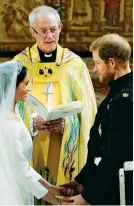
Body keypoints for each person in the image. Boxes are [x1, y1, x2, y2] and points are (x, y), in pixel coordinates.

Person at [13, 5, 97, 186]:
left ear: (61, 28)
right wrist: (29, 122)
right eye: (43, 31)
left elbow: (90, 113)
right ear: (32, 32)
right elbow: (4, 109)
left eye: (53, 30)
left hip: (64, 146)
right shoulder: (19, 65)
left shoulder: (75, 65)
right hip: (31, 147)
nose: (49, 37)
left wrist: (68, 124)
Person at [61, 33, 133, 205]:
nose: (94, 69)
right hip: (110, 185)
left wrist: (87, 197)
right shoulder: (117, 93)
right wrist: (81, 182)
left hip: (120, 188)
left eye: (98, 63)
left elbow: (114, 156)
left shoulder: (125, 99)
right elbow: (99, 148)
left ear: (112, 63)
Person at [0, 60, 70, 205]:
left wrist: (50, 188)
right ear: (12, 86)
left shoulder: (15, 116)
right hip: (11, 191)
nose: (28, 89)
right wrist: (57, 202)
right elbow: (21, 173)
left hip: (19, 187)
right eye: (25, 84)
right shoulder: (7, 124)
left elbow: (23, 166)